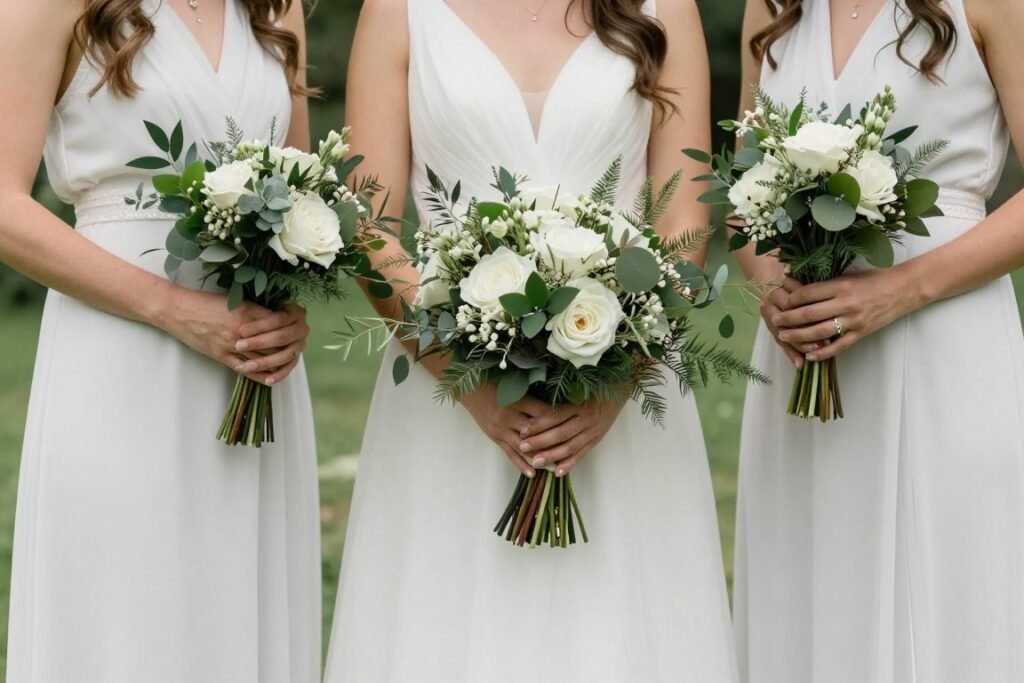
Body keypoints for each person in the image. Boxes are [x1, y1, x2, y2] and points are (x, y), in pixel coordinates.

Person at [324, 0, 739, 681]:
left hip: (624, 399)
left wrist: (617, 380)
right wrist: (470, 381)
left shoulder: (664, 9)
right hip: (447, 394)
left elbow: (685, 227)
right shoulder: (399, 10)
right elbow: (368, 224)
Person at [0, 1, 321, 680]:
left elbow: (300, 189)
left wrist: (291, 302)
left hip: (252, 363)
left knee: (239, 601)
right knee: (127, 607)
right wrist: (173, 308)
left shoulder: (275, 8)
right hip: (119, 349)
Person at [733, 1, 1024, 681]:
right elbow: (739, 191)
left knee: (949, 589)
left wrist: (900, 289)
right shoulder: (772, 6)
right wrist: (773, 287)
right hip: (801, 356)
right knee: (808, 587)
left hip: (943, 345)